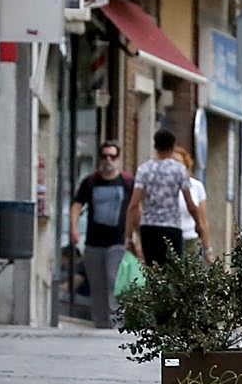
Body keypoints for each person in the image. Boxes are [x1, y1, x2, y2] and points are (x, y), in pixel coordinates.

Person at [69, 141, 133, 328]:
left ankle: (117, 324)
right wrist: (74, 227)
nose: (108, 160)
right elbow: (77, 205)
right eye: (105, 156)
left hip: (118, 242)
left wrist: (134, 234)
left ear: (118, 159)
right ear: (100, 158)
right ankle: (100, 323)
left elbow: (135, 208)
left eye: (112, 156)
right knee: (97, 285)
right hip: (94, 242)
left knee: (114, 281)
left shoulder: (127, 182)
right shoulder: (90, 182)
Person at [126, 129, 205, 265]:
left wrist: (128, 235)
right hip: (171, 227)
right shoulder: (179, 170)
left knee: (152, 270)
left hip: (149, 228)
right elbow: (190, 203)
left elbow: (134, 204)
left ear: (155, 146)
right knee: (173, 271)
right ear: (173, 147)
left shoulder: (144, 169)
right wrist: (199, 224)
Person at [173, 146, 211, 261]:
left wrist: (208, 249)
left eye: (179, 163)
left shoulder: (196, 186)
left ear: (186, 165)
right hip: (170, 239)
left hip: (190, 240)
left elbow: (203, 220)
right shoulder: (165, 187)